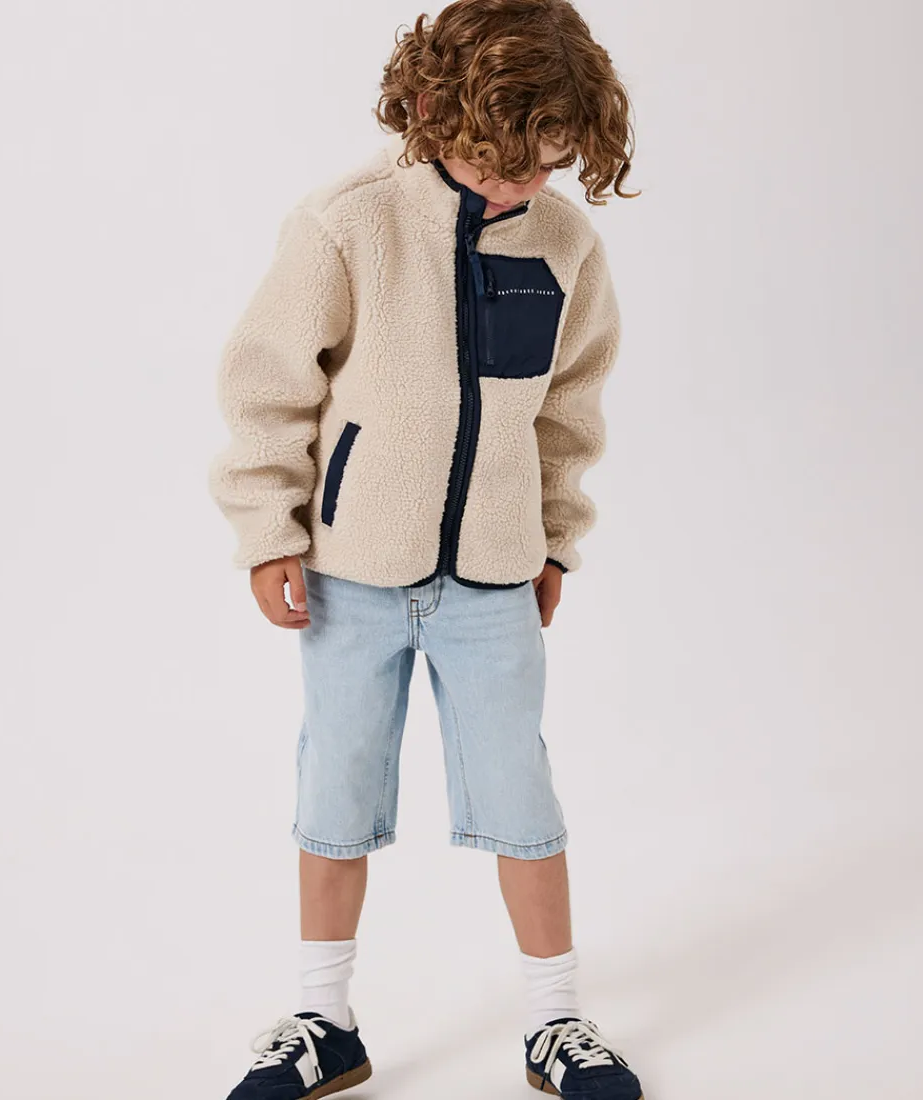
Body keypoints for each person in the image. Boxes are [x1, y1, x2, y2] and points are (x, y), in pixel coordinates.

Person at [208, 2, 642, 1097]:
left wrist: (555, 542)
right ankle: (324, 1019)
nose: (524, 186)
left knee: (521, 796)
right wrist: (267, 533)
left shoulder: (564, 245)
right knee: (336, 789)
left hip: (494, 580)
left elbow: (568, 411)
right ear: (435, 113)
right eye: (502, 163)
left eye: (548, 164)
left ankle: (556, 1021)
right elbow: (268, 386)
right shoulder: (347, 223)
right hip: (348, 576)